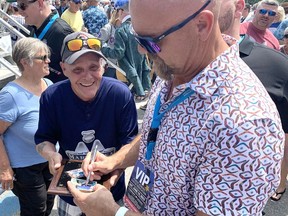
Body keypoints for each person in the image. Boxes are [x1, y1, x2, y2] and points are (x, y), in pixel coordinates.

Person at [67, 0, 284, 215]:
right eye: (136, 36)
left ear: (202, 25)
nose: (142, 50)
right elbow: (157, 131)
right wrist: (117, 160)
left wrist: (112, 212)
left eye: (151, 40)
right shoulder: (173, 67)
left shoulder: (246, 125)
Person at [34, 31, 138, 216]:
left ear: (103, 66)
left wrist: (114, 174)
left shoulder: (120, 95)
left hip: (111, 193)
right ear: (63, 68)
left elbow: (129, 145)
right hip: (70, 193)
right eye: (77, 69)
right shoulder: (52, 97)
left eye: (93, 67)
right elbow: (43, 139)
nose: (87, 76)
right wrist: (51, 155)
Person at [220, 0, 288, 204]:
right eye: (263, 11)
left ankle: (278, 182)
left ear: (276, 18)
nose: (266, 15)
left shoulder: (273, 41)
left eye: (271, 13)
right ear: (253, 12)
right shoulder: (238, 32)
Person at [0, 37, 54, 215]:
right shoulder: (10, 95)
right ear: (25, 62)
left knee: (48, 203)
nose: (48, 60)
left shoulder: (49, 86)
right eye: (43, 57)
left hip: (50, 160)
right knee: (35, 209)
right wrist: (5, 168)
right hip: (25, 167)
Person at [101, 0, 151, 101]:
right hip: (140, 73)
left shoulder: (121, 30)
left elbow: (118, 53)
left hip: (126, 73)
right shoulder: (138, 27)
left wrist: (104, 49)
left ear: (120, 11)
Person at [17, 0, 73, 83]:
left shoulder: (62, 32)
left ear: (40, 4)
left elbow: (75, 72)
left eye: (22, 6)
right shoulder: (33, 29)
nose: (20, 11)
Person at [99, 7, 121, 78]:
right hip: (109, 65)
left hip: (121, 67)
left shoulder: (126, 29)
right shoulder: (108, 28)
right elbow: (99, 42)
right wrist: (109, 51)